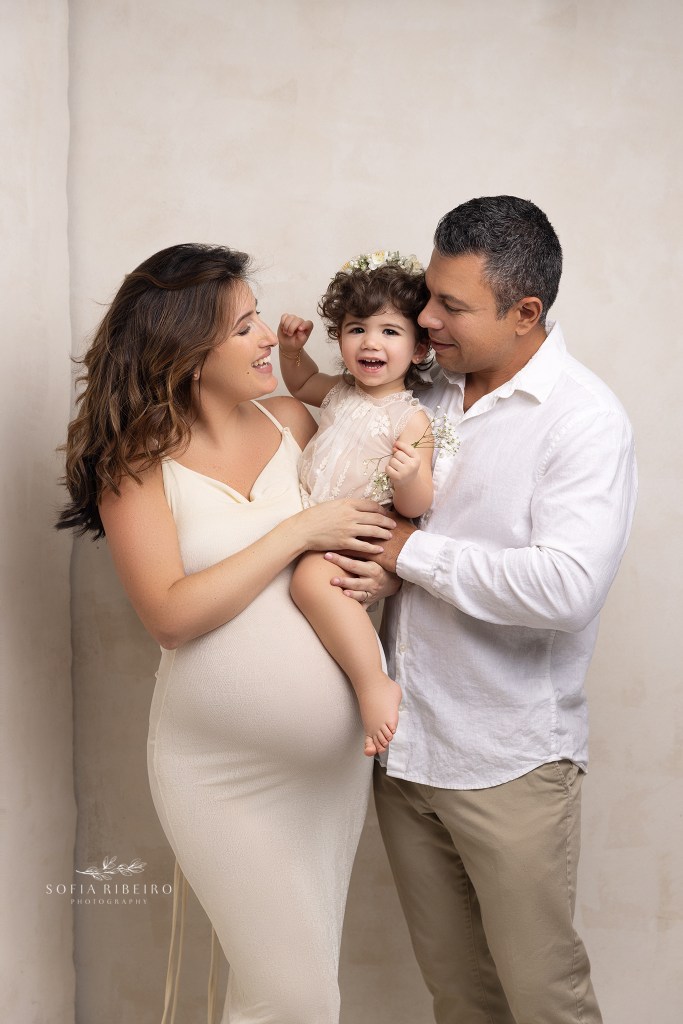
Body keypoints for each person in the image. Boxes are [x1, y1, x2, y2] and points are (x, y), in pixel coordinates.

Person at [56, 243, 397, 1024]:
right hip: (220, 773)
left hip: (327, 772)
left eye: (257, 319)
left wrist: (375, 574)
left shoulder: (295, 423)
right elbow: (170, 616)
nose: (266, 338)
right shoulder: (136, 465)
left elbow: (365, 535)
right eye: (243, 327)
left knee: (294, 992)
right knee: (296, 997)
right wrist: (295, 531)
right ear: (184, 347)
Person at [325, 197, 637, 1023]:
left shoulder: (582, 420)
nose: (424, 318)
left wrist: (406, 554)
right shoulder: (420, 391)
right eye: (427, 296)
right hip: (405, 751)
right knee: (459, 997)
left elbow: (564, 588)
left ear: (524, 312)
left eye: (449, 305)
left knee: (544, 1000)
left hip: (510, 761)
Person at [277, 252, 436, 757]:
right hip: (317, 519)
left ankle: (374, 684)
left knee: (309, 581)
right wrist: (291, 350)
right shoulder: (340, 392)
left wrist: (408, 477)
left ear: (418, 349)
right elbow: (300, 383)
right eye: (356, 329)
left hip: (358, 534)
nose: (370, 342)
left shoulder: (411, 418)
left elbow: (419, 503)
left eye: (390, 331)